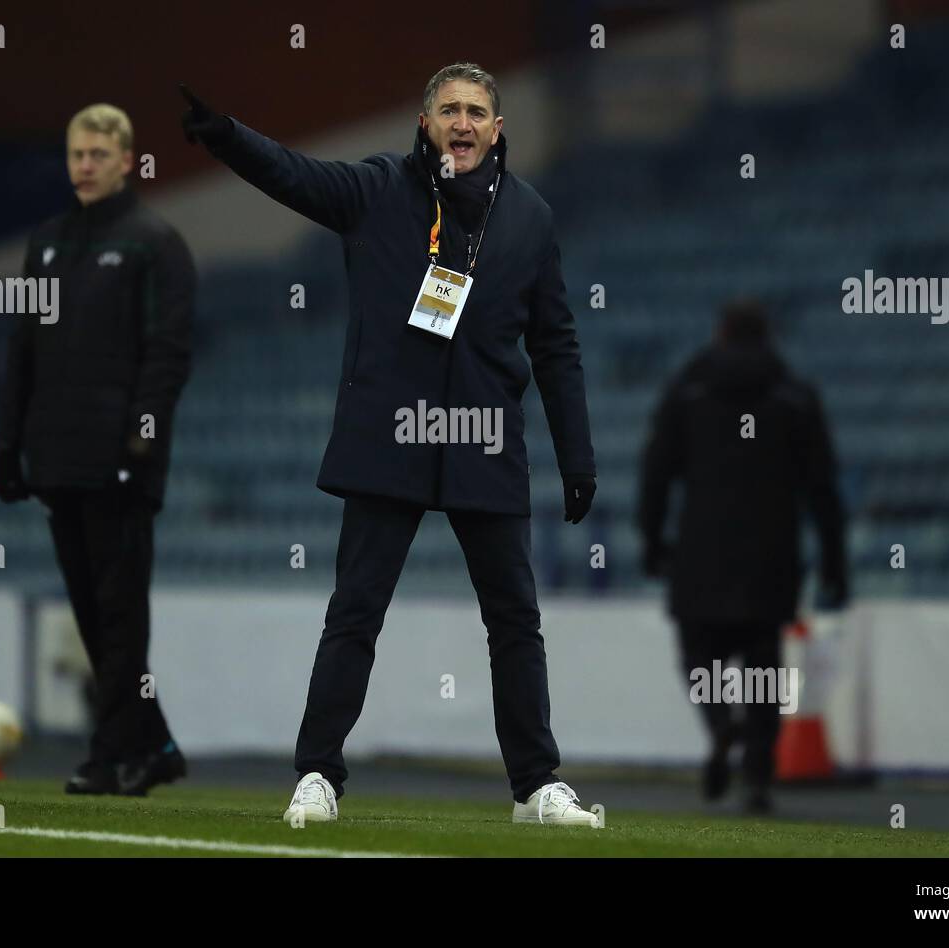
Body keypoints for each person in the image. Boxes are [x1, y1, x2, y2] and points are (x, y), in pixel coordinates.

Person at [181, 62, 600, 826]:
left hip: (482, 441)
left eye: (477, 111)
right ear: (425, 123)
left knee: (514, 620)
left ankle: (536, 787)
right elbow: (294, 176)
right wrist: (225, 137)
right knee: (356, 612)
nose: (464, 123)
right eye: (450, 110)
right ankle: (317, 776)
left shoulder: (531, 217)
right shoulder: (377, 191)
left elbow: (557, 344)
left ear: (498, 129)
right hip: (390, 438)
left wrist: (578, 455)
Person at [0, 103, 195, 796]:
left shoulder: (153, 243)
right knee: (92, 617)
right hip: (58, 457)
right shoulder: (46, 243)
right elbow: (24, 350)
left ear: (128, 161)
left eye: (97, 155)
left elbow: (167, 354)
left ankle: (111, 757)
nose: (83, 165)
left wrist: (142, 436)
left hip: (120, 462)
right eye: (76, 153)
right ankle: (156, 744)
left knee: (119, 616)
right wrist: (7, 444)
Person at [636, 300, 848, 814]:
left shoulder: (687, 391)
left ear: (720, 333)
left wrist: (652, 542)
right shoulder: (795, 397)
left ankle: (718, 722)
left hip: (700, 552)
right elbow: (823, 490)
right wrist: (835, 565)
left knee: (697, 655)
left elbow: (655, 472)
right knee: (762, 668)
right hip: (771, 554)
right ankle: (756, 775)